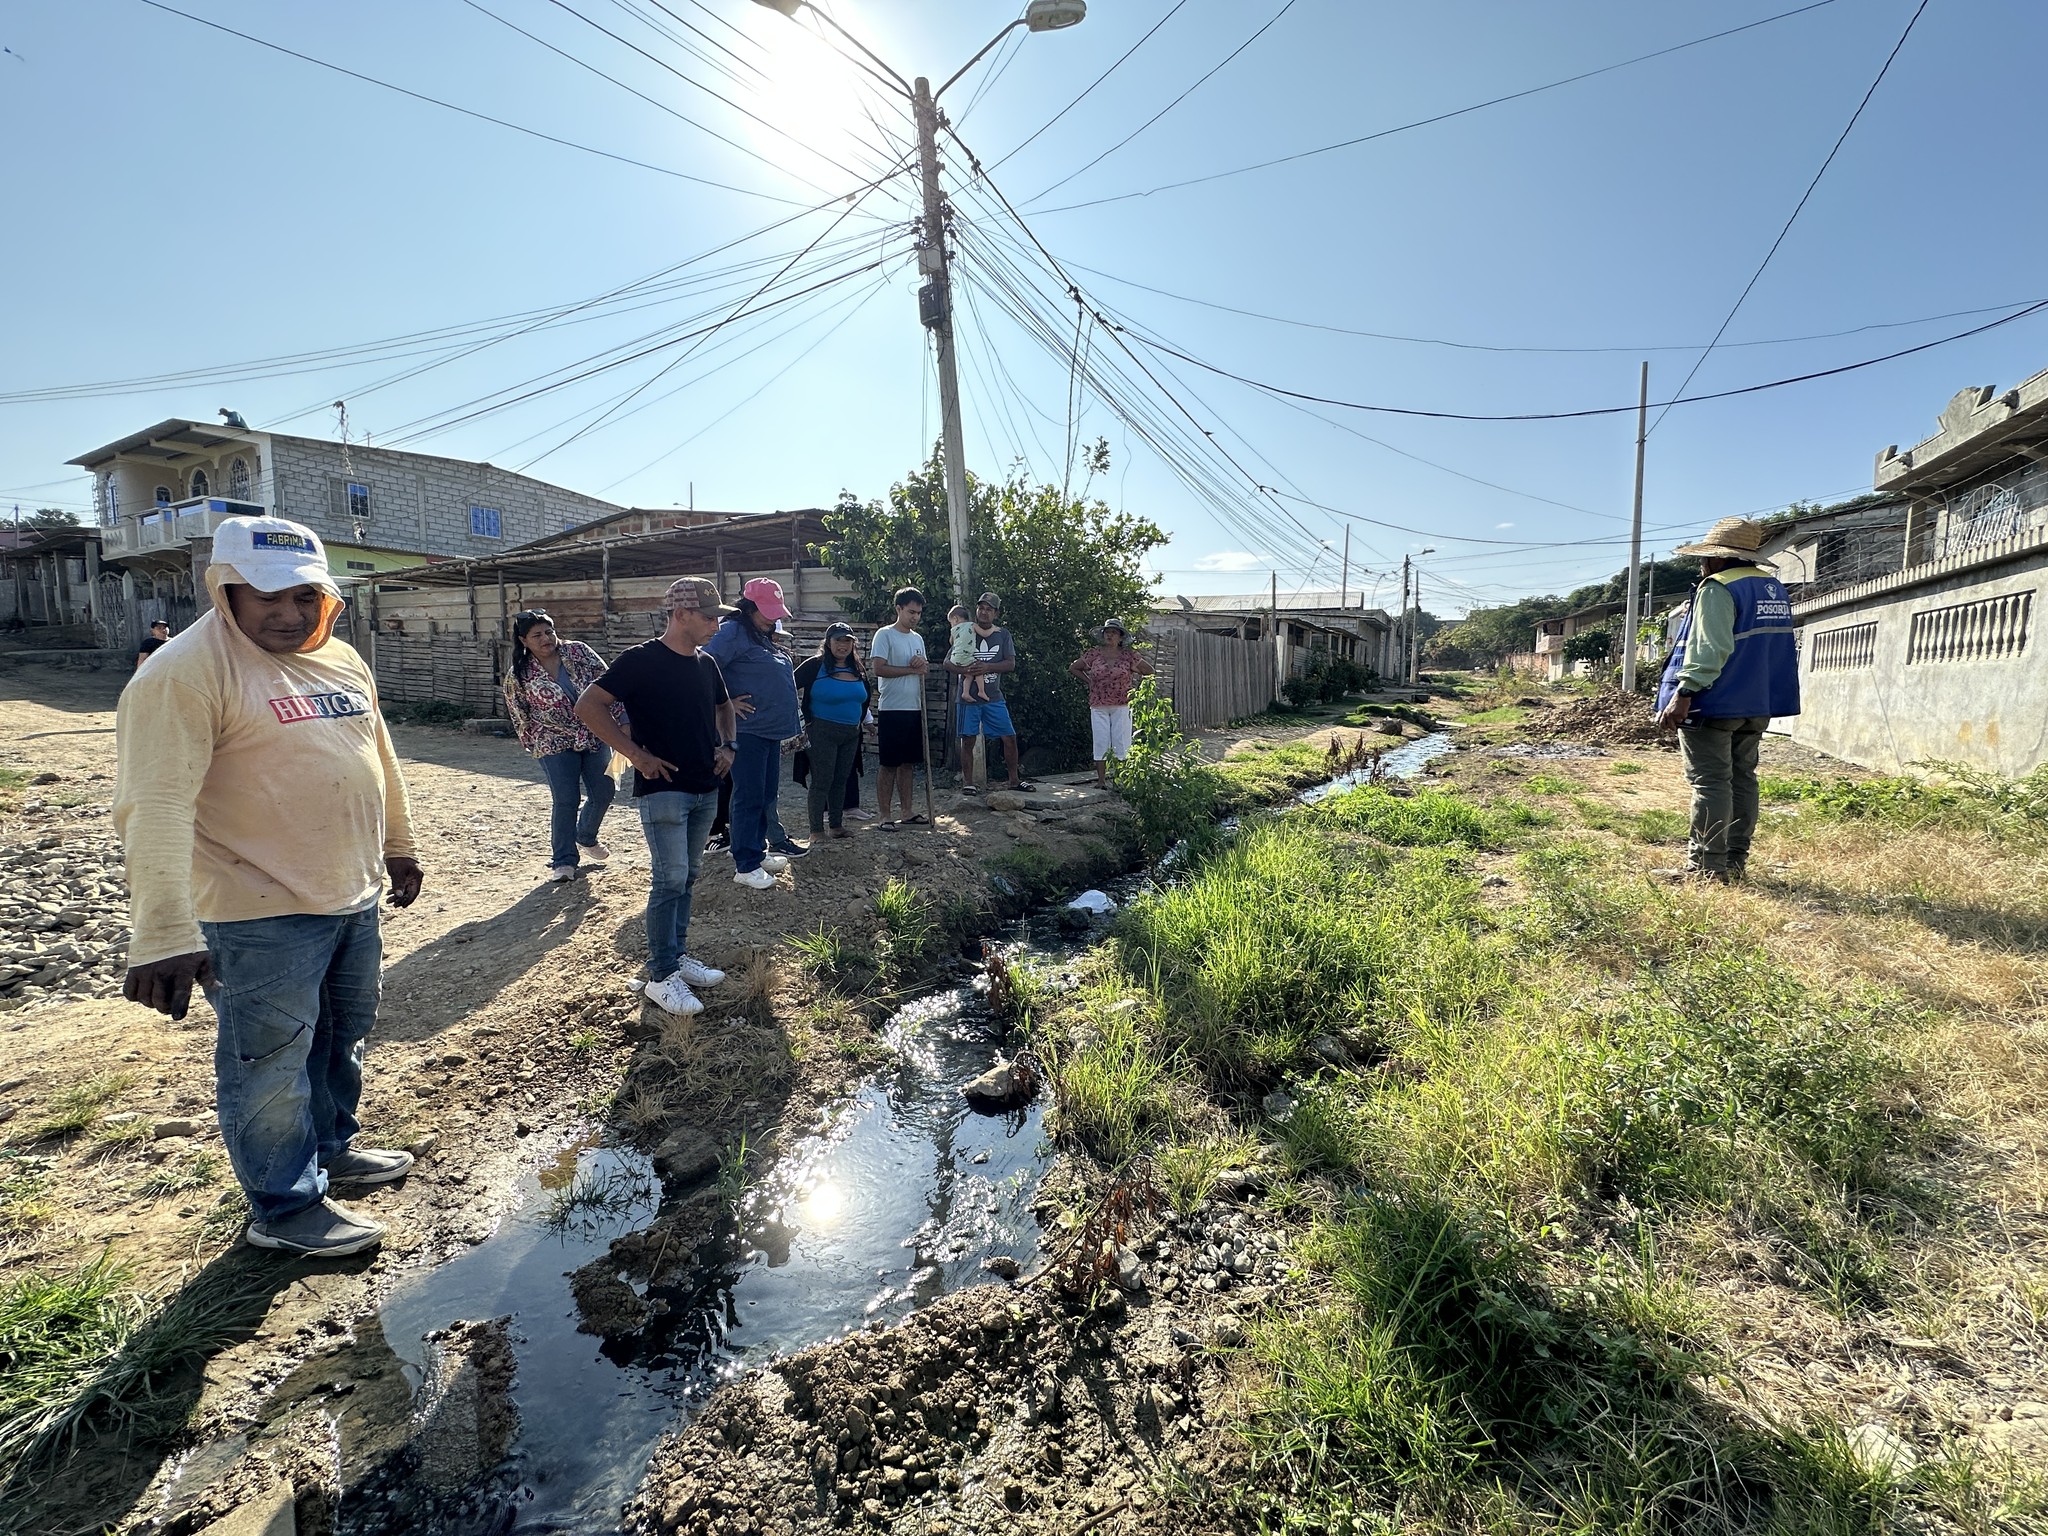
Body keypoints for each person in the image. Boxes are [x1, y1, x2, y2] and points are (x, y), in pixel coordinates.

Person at [113, 515, 423, 1258]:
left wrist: (399, 845)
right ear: (226, 592)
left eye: (304, 597)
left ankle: (330, 1152)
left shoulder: (340, 658)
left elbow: (377, 754)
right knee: (272, 1062)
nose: (289, 614)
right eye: (268, 597)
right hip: (256, 914)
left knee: (340, 1037)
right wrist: (164, 931)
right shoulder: (184, 673)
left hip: (350, 895)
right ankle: (283, 1209)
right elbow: (154, 803)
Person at [572, 578, 737, 1016]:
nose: (716, 626)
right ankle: (661, 976)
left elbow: (724, 707)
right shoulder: (640, 660)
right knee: (669, 879)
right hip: (663, 789)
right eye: (709, 617)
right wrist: (636, 755)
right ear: (680, 614)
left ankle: (676, 957)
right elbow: (587, 706)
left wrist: (729, 746)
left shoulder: (706, 663)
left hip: (705, 787)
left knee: (688, 876)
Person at [1654, 516, 1801, 884]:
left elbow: (1709, 649)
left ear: (1717, 558)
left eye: (1705, 558)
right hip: (1758, 702)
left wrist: (1684, 694)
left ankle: (1706, 866)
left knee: (1711, 783)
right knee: (1743, 778)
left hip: (1715, 702)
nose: (1702, 565)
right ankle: (1734, 862)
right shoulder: (1772, 588)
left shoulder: (1718, 587)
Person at [503, 610, 619, 883]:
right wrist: (533, 742)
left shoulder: (579, 652)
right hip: (552, 740)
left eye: (549, 632)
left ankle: (585, 835)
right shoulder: (519, 674)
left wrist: (620, 721)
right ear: (523, 640)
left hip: (594, 731)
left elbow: (609, 682)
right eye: (537, 635)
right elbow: (518, 712)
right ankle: (564, 860)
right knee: (566, 798)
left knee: (605, 789)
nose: (546, 639)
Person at [704, 578, 805, 888]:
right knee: (748, 796)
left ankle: (757, 851)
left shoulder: (759, 634)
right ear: (748, 607)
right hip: (747, 730)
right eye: (767, 611)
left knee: (765, 794)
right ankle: (745, 864)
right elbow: (703, 666)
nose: (773, 618)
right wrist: (725, 704)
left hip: (768, 730)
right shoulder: (732, 631)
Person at [794, 623, 873, 840]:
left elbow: (864, 698)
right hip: (821, 731)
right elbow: (787, 686)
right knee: (822, 780)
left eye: (847, 641)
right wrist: (798, 719)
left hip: (851, 733)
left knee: (841, 779)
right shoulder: (815, 665)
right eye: (838, 640)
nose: (842, 645)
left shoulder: (857, 667)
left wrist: (865, 722)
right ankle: (816, 831)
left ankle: (836, 826)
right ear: (828, 642)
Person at [950, 591, 1032, 795]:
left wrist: (987, 667)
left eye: (989, 609)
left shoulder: (1003, 634)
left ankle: (1014, 780)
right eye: (981, 608)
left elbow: (1010, 664)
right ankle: (968, 783)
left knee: (1009, 737)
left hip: (993, 696)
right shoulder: (966, 629)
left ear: (996, 613)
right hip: (968, 698)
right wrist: (966, 670)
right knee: (968, 739)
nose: (984, 612)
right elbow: (947, 662)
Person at [869, 586, 931, 827]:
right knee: (889, 764)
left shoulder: (918, 639)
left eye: (918, 613)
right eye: (911, 612)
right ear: (899, 609)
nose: (915, 617)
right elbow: (879, 668)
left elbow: (924, 669)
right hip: (892, 709)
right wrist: (910, 669)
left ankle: (907, 811)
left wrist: (921, 666)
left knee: (908, 764)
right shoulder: (884, 635)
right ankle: (885, 815)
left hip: (914, 708)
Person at [1068, 618, 1154, 789]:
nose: (1110, 635)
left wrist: (1136, 687)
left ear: (1120, 637)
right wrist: (1090, 682)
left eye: (1114, 632)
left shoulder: (1129, 655)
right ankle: (1101, 781)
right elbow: (1074, 667)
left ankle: (1120, 781)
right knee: (1100, 741)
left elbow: (1149, 671)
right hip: (1098, 703)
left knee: (1121, 742)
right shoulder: (1094, 653)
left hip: (1122, 704)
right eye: (1107, 632)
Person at [947, 604, 994, 703]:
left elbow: (951, 642)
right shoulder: (972, 625)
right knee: (978, 670)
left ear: (955, 619)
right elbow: (984, 634)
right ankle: (981, 691)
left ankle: (965, 693)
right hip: (965, 657)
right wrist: (993, 629)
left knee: (968, 675)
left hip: (954, 658)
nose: (951, 625)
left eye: (950, 622)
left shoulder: (953, 630)